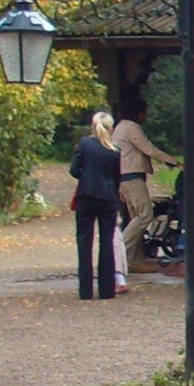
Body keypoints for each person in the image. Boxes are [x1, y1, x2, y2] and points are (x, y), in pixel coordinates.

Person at [113, 99, 180, 282]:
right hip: (132, 178)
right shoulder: (132, 127)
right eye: (144, 112)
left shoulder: (120, 127)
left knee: (136, 217)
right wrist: (174, 162)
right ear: (139, 112)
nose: (146, 116)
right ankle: (117, 254)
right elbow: (149, 148)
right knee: (145, 215)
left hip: (124, 178)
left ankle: (134, 260)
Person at [68, 112, 121, 301]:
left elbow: (74, 170)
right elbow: (116, 177)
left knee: (84, 243)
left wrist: (86, 176)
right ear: (110, 128)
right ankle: (107, 290)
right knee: (106, 243)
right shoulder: (115, 150)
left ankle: (85, 291)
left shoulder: (85, 144)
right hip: (108, 198)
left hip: (86, 196)